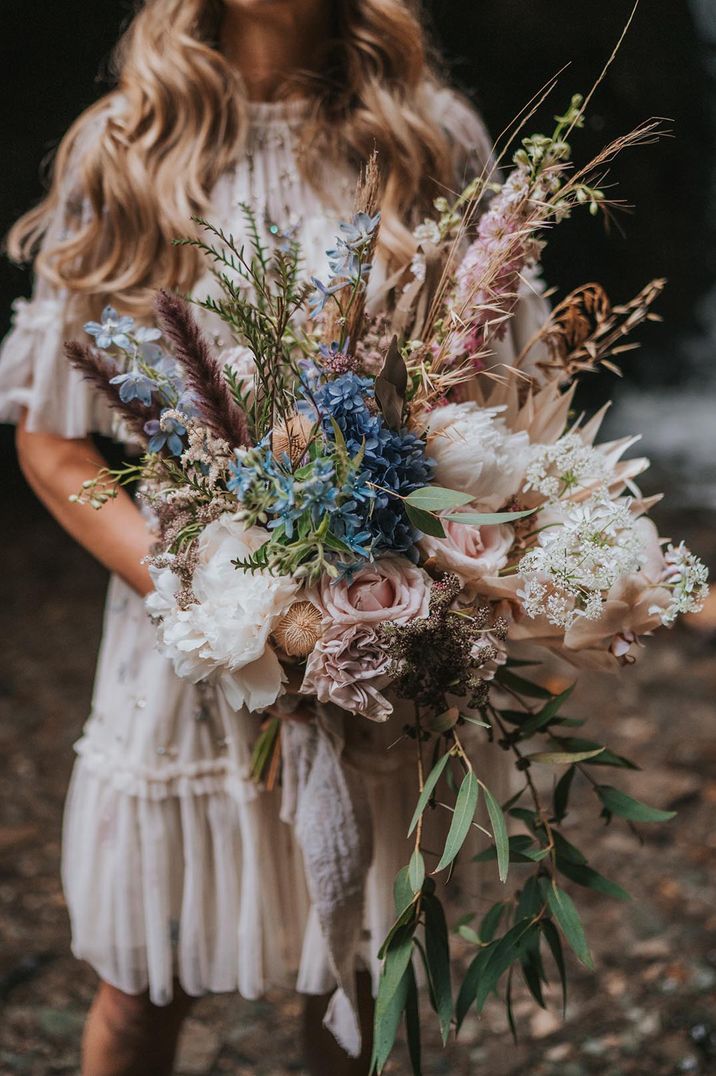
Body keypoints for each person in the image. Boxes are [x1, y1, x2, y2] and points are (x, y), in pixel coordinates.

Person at [0, 1, 547, 1073]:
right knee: (142, 979)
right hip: (185, 651)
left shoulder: (432, 136)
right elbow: (56, 445)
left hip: (386, 643)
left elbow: (501, 407)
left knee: (360, 978)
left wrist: (402, 595)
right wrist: (222, 596)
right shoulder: (123, 147)